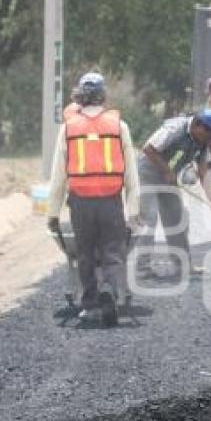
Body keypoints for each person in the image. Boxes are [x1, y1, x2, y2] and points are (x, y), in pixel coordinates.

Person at [47, 72, 140, 326]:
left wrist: (52, 213)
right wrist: (133, 211)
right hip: (111, 200)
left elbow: (58, 175)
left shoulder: (68, 128)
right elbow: (131, 174)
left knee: (85, 253)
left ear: (80, 96)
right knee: (113, 251)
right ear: (103, 96)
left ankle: (89, 305)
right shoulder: (119, 127)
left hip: (80, 201)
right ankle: (109, 289)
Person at [136, 109, 211, 276]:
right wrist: (167, 171)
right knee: (150, 220)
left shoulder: (202, 143)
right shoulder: (175, 129)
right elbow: (148, 148)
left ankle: (183, 266)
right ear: (199, 125)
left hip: (168, 178)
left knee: (178, 219)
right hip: (147, 174)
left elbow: (204, 172)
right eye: (210, 134)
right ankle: (142, 268)